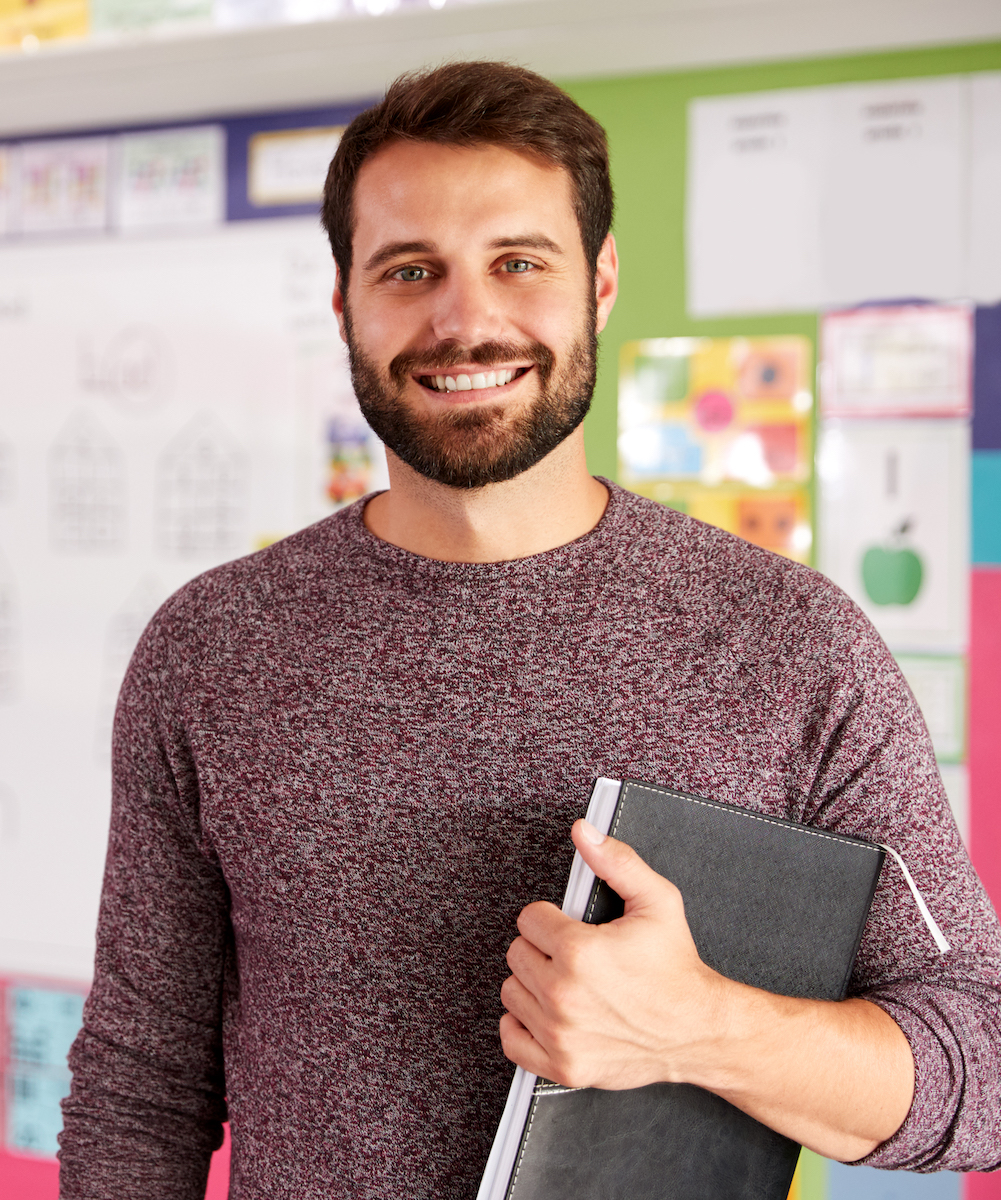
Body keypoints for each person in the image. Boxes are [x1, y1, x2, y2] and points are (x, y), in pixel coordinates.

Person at [59, 61, 1001, 1198]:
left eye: (518, 262)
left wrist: (700, 1029)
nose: (465, 321)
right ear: (344, 305)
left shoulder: (793, 646)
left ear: (598, 284)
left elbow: (980, 1065)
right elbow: (139, 1090)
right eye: (410, 271)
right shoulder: (210, 648)